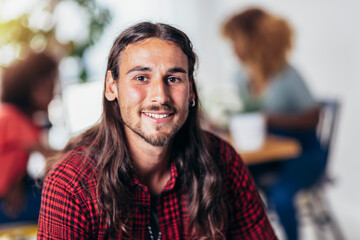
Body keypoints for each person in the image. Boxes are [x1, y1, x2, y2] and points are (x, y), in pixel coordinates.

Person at [37, 22, 277, 239]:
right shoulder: (71, 185)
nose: (160, 96)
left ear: (191, 91)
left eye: (173, 79)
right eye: (141, 78)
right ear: (112, 87)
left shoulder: (222, 159)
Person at [222, 7, 327, 240]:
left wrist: (269, 119)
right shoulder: (241, 76)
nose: (233, 49)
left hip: (303, 153)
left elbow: (314, 117)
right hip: (267, 154)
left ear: (252, 41)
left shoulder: (287, 74)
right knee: (225, 182)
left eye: (236, 41)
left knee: (281, 195)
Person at [0, 51, 58, 223]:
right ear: (35, 86)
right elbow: (54, 157)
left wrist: (18, 179)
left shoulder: (22, 119)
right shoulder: (11, 116)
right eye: (51, 81)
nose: (55, 89)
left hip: (10, 195)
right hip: (5, 204)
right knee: (63, 198)